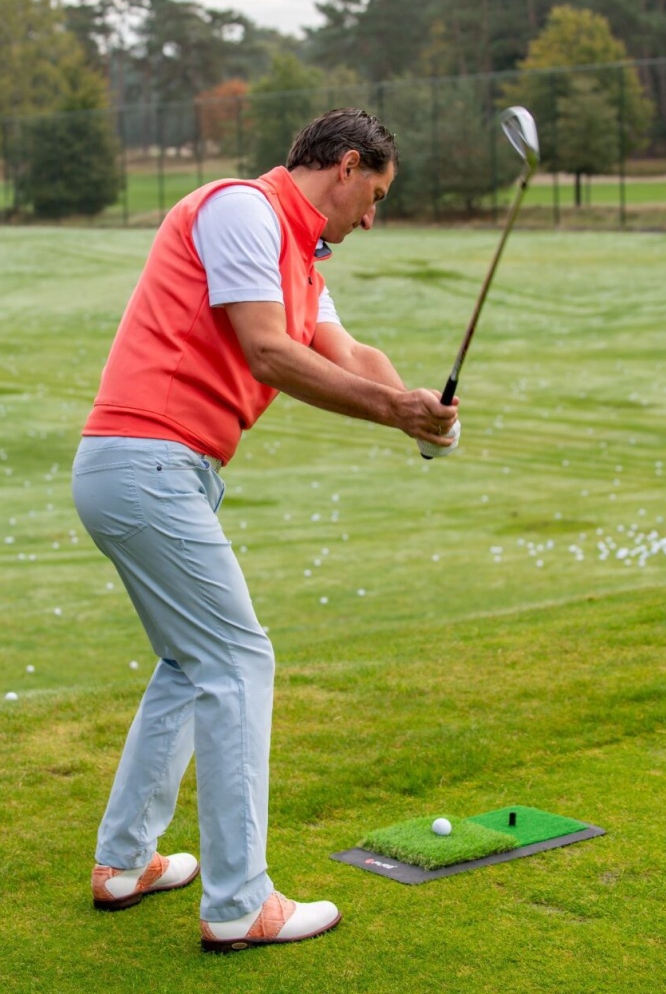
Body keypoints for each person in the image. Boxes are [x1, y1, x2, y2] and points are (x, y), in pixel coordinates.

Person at [71, 107, 460, 952]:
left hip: (158, 470)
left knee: (191, 663)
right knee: (238, 660)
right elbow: (269, 352)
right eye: (376, 197)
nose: (372, 219)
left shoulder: (302, 260)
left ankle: (125, 862)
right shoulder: (243, 211)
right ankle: (239, 903)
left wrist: (418, 411)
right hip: (146, 462)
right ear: (347, 166)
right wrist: (392, 411)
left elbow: (349, 356)